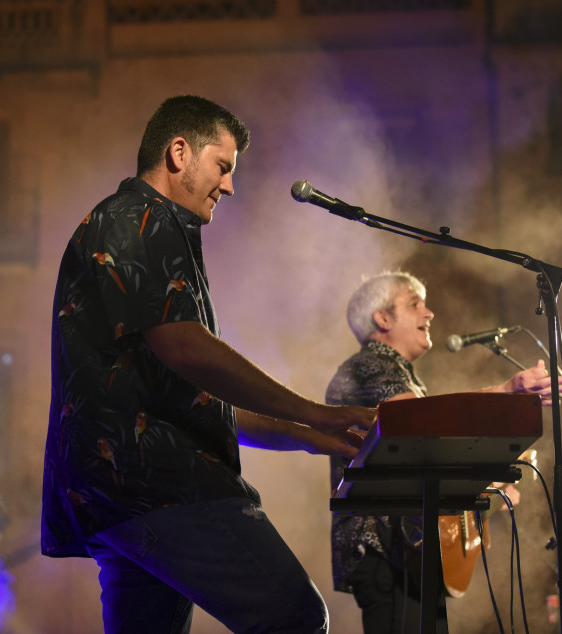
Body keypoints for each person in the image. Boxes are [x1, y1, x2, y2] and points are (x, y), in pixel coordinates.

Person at [41, 95, 374, 633]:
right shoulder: (137, 218)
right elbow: (188, 349)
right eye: (223, 166)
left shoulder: (146, 227)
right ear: (179, 153)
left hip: (120, 498)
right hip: (159, 486)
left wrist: (307, 435)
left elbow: (189, 398)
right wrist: (319, 412)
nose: (230, 185)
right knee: (295, 617)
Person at [327, 271, 561, 634]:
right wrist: (507, 390)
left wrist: (484, 489)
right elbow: (418, 423)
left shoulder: (402, 375)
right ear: (383, 318)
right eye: (414, 304)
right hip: (387, 550)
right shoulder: (370, 365)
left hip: (410, 551)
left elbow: (427, 461)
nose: (429, 313)